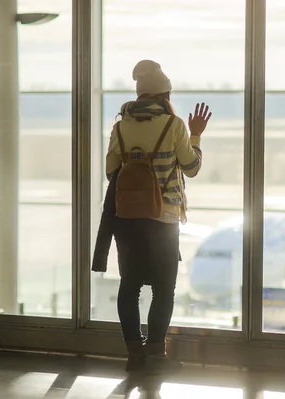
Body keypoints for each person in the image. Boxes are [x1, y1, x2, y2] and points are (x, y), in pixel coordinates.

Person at [104, 60, 211, 374]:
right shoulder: (174, 125)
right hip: (163, 217)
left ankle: (134, 356)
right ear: (165, 94)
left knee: (130, 285)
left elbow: (112, 171)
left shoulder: (120, 126)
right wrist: (196, 135)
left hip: (126, 218)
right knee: (164, 288)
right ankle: (157, 356)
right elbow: (191, 168)